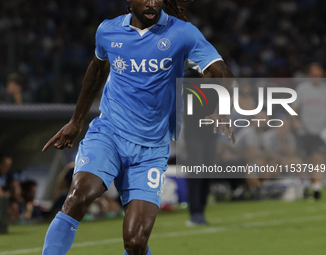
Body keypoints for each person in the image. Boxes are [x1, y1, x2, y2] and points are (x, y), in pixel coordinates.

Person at [41, 1, 235, 254]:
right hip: (109, 133)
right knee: (79, 195)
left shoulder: (183, 33)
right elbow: (97, 70)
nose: (152, 2)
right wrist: (76, 122)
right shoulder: (108, 31)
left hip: (151, 148)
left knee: (136, 242)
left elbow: (222, 72)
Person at [293, 63, 326, 200]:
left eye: (318, 74)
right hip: (305, 130)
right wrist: (296, 122)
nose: (316, 77)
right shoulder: (302, 89)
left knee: (318, 157)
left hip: (321, 130)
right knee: (308, 159)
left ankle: (317, 187)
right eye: (313, 74)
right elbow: (294, 109)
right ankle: (311, 186)